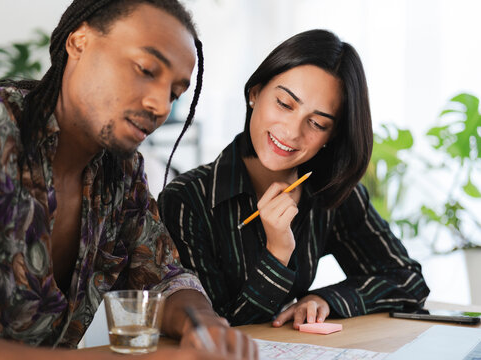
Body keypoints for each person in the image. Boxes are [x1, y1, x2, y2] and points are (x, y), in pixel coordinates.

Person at [0, 1, 257, 359]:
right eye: (146, 69)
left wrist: (202, 323)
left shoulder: (120, 174)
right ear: (79, 41)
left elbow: (165, 278)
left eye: (175, 93)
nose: (160, 106)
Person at [158, 29, 430, 328]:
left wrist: (326, 299)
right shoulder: (187, 199)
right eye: (284, 104)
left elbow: (406, 279)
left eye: (317, 123)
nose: (291, 131)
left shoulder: (330, 192)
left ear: (332, 135)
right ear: (255, 93)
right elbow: (214, 329)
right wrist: (278, 251)